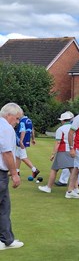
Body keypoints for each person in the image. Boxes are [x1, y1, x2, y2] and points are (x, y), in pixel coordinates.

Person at [0, 102, 24, 250]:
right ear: (9, 116)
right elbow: (7, 152)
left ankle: (6, 240)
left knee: (4, 206)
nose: (17, 122)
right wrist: (15, 173)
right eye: (16, 119)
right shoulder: (6, 128)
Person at [38, 111, 79, 194]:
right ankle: (76, 188)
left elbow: (58, 143)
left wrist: (53, 154)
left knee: (54, 169)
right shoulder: (74, 128)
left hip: (63, 151)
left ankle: (48, 187)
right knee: (72, 169)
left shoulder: (60, 129)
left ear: (62, 120)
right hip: (73, 150)